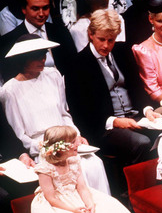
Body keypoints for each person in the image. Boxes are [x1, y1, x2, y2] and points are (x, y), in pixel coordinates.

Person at [0, 33, 111, 194]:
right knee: (77, 169)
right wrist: (44, 147)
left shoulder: (54, 75)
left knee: (94, 163)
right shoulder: (10, 90)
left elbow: (64, 114)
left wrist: (76, 135)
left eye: (44, 54)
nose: (43, 60)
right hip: (43, 148)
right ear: (23, 59)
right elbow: (19, 134)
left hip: (67, 140)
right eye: (36, 57)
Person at [64, 8, 161, 170]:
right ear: (91, 34)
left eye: (111, 40)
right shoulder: (77, 65)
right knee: (141, 142)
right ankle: (133, 187)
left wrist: (147, 110)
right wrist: (115, 121)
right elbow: (80, 113)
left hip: (135, 117)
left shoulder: (122, 51)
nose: (106, 45)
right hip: (104, 128)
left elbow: (138, 87)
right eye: (101, 39)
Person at [0, 0, 77, 83]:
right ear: (24, 9)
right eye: (35, 9)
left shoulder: (61, 32)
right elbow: (11, 81)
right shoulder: (8, 41)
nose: (41, 14)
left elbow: (74, 68)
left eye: (45, 8)